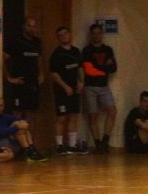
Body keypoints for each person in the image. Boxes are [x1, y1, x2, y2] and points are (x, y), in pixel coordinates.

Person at [81, 22, 119, 153]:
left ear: (102, 34)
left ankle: (105, 141)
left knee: (112, 111)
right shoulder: (86, 50)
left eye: (98, 33)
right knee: (93, 115)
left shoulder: (108, 49)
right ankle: (97, 144)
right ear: (91, 35)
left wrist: (97, 68)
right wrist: (104, 68)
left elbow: (113, 68)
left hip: (104, 86)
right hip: (90, 86)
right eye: (94, 33)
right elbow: (89, 70)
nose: (96, 35)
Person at [48, 25, 85, 154]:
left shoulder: (76, 51)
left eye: (65, 34)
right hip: (62, 90)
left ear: (70, 34)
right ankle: (59, 146)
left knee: (74, 116)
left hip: (75, 89)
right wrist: (65, 86)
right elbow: (54, 74)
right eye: (60, 35)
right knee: (61, 118)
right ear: (58, 38)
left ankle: (72, 145)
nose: (64, 36)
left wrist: (81, 82)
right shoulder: (56, 54)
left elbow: (80, 68)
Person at [0, 95, 36, 162]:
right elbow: (0, 133)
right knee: (9, 155)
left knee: (20, 123)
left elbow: (19, 119)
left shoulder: (3, 116)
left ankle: (30, 148)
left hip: (7, 140)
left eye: (1, 106)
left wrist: (24, 122)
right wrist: (17, 127)